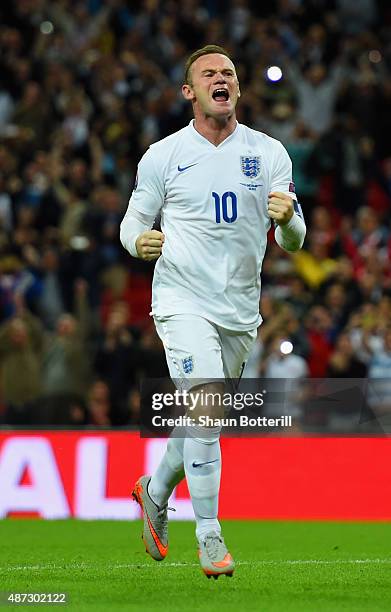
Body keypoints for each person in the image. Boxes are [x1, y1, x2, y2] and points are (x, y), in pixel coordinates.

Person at [120, 45, 306, 579]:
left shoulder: (269, 153)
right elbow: (131, 223)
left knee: (203, 419)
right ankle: (209, 534)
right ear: (190, 92)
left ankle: (154, 491)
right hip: (180, 301)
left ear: (238, 89)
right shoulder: (163, 155)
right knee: (204, 411)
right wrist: (140, 244)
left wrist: (289, 218)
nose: (220, 79)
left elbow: (294, 242)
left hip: (240, 310)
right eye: (209, 74)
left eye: (228, 73)